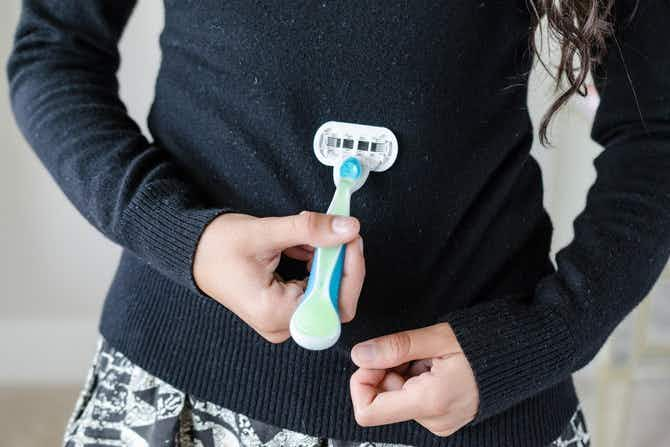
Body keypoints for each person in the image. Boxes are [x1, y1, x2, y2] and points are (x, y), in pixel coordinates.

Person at [7, 1, 669, 446]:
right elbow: (52, 52)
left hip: (481, 395)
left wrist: (540, 339)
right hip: (176, 391)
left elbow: (656, 133)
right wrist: (187, 239)